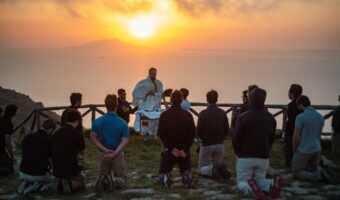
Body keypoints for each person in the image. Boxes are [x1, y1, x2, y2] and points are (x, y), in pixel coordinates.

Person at [233, 88, 281, 199]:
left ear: (250, 99)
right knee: (259, 180)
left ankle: (251, 189)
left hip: (245, 156)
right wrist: (267, 150)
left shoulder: (243, 117)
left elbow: (236, 139)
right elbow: (271, 138)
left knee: (241, 182)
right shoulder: (271, 118)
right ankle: (271, 184)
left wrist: (238, 153)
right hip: (263, 156)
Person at [158, 90, 196, 189]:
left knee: (162, 173)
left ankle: (165, 178)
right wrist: (185, 149)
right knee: (185, 167)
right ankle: (186, 175)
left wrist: (171, 149)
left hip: (170, 151)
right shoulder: (188, 116)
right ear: (181, 100)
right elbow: (192, 134)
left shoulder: (164, 115)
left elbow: (161, 134)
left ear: (170, 100)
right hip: (184, 152)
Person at [91, 94, 129, 191]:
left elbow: (93, 138)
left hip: (104, 153)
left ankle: (105, 180)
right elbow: (125, 141)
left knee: (103, 176)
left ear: (105, 105)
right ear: (116, 105)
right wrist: (115, 153)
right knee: (122, 181)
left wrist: (105, 149)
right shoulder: (122, 122)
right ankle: (113, 181)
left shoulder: (98, 121)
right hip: (117, 153)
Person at [197, 90, 230, 180]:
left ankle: (213, 170)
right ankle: (218, 169)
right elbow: (227, 129)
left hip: (207, 144)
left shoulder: (203, 113)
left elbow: (199, 131)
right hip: (220, 144)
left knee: (201, 169)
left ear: (207, 99)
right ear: (217, 99)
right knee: (217, 164)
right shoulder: (222, 112)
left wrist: (202, 140)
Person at [18, 119, 56, 194]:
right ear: (51, 129)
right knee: (55, 179)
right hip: (37, 174)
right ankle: (38, 187)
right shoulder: (49, 140)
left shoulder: (28, 137)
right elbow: (51, 161)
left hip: (22, 172)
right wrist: (54, 171)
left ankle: (27, 183)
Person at [292, 95, 324, 182]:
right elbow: (319, 134)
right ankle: (318, 173)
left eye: (298, 106)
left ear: (300, 105)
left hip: (304, 150)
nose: (298, 108)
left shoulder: (300, 117)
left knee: (296, 172)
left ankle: (317, 176)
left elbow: (296, 137)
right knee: (313, 169)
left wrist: (294, 150)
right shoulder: (320, 117)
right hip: (317, 149)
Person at [52, 110, 86, 194]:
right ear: (77, 121)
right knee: (82, 181)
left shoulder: (56, 133)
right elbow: (83, 152)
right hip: (71, 169)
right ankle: (70, 184)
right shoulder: (78, 134)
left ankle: (60, 181)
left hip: (56, 169)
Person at [132, 67, 164, 137]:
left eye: (155, 74)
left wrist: (154, 94)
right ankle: (144, 135)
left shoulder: (159, 83)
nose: (153, 76)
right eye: (152, 74)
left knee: (154, 121)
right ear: (149, 74)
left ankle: (153, 135)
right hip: (145, 106)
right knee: (144, 120)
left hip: (155, 106)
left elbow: (161, 94)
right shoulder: (143, 83)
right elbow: (136, 93)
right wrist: (146, 93)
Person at [283, 84, 303, 168]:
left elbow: (289, 119)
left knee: (289, 149)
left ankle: (289, 165)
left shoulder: (291, 105)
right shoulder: (301, 105)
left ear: (292, 93)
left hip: (291, 130)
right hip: (300, 131)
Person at [0, 104, 17, 175]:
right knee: (10, 169)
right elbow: (7, 142)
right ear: (14, 113)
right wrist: (12, 157)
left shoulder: (0, 119)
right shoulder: (9, 123)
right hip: (0, 151)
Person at [332, 94, 340, 159]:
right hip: (336, 130)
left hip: (337, 131)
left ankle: (336, 162)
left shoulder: (338, 108)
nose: (338, 96)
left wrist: (335, 129)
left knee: (335, 147)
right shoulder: (337, 108)